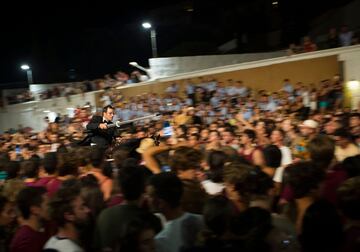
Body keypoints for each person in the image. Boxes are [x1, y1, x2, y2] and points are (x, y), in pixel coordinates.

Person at [43, 185, 90, 252]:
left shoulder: (49, 244)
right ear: (69, 216)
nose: (87, 210)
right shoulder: (72, 250)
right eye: (82, 208)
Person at [10, 187, 50, 252]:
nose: (50, 208)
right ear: (34, 210)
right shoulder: (27, 239)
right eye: (47, 204)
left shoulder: (34, 233)